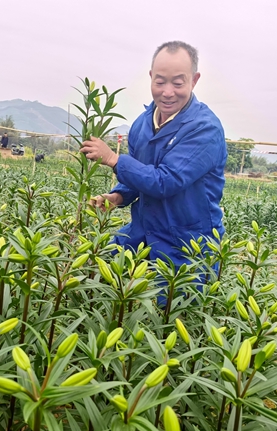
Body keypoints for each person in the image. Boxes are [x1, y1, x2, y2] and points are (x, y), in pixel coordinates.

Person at [80, 41, 227, 293]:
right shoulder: (142, 124)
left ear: (194, 80)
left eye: (178, 83)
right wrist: (117, 196)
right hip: (143, 233)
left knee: (173, 314)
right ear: (150, 78)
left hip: (186, 244)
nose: (167, 92)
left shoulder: (205, 129)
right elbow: (137, 175)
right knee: (99, 277)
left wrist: (113, 159)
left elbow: (165, 181)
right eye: (160, 82)